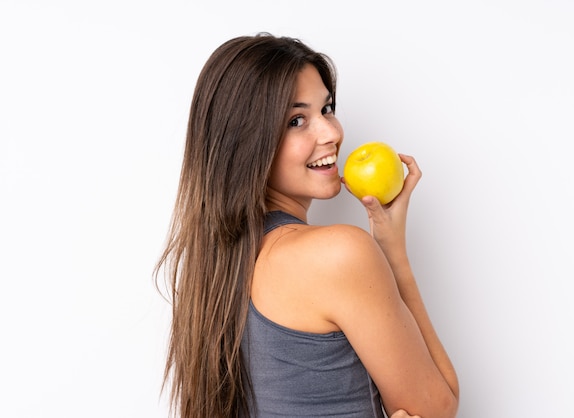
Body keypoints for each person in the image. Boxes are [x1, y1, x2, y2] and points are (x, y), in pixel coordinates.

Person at [155, 33, 459, 418]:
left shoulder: (211, 271)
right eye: (297, 120)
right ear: (249, 143)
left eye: (327, 109)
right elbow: (439, 406)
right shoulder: (338, 254)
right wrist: (393, 255)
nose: (332, 133)